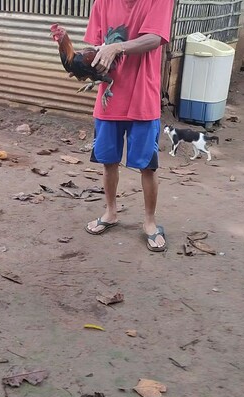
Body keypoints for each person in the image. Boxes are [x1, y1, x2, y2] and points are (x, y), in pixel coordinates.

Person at [82, 0, 172, 252]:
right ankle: (111, 213)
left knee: (147, 166)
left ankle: (150, 223)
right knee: (108, 161)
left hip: (143, 98)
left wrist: (117, 47)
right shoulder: (103, 2)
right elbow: (96, 46)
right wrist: (84, 63)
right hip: (109, 98)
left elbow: (154, 37)